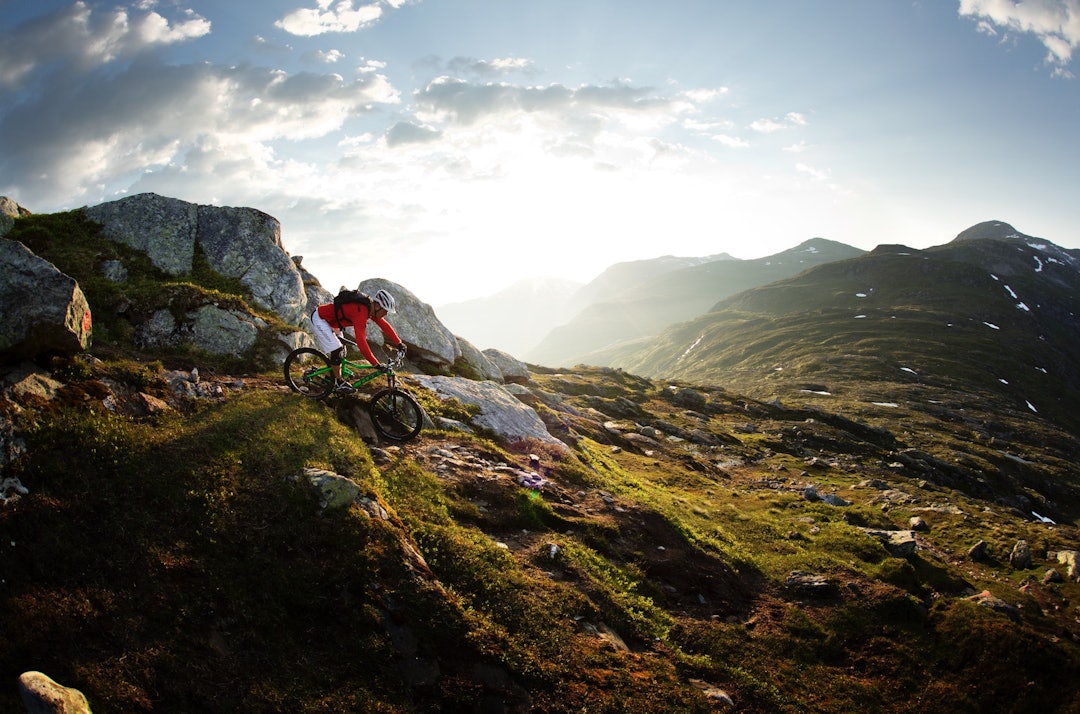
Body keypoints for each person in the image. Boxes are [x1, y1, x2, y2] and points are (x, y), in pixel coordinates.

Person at [310, 288, 406, 392]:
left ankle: (330, 378)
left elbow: (384, 326)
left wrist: (399, 343)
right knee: (337, 350)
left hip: (332, 323)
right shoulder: (360, 312)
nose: (386, 314)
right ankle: (338, 381)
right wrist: (375, 364)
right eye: (386, 311)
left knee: (342, 352)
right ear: (378, 306)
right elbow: (361, 342)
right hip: (320, 319)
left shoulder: (370, 308)